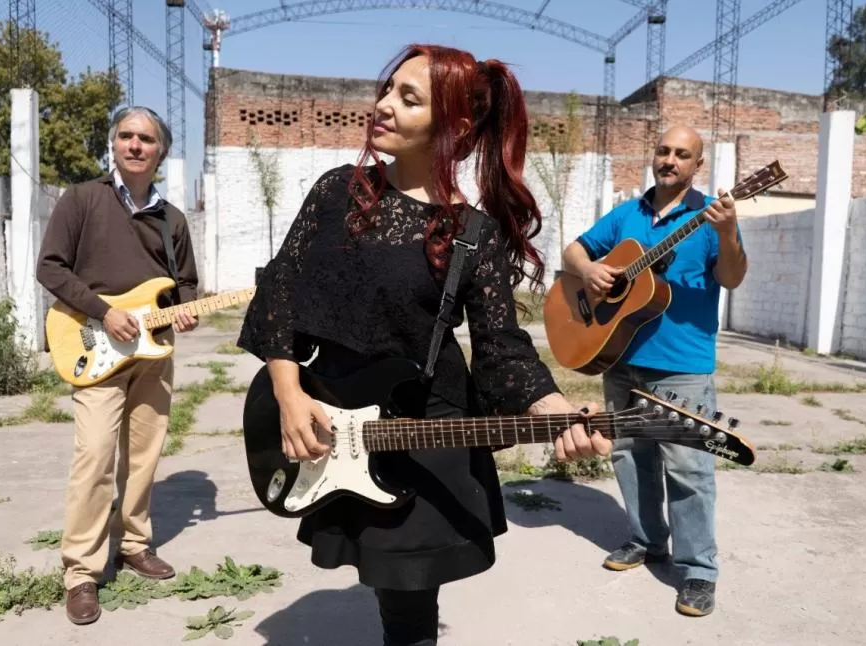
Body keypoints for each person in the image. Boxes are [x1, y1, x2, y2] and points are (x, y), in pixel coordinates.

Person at [237, 44, 611, 645]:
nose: (382, 105)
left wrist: (553, 408)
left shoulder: (474, 234)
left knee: (410, 608)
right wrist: (287, 392)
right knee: (387, 590)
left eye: (407, 98)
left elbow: (500, 347)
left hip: (425, 431)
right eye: (388, 89)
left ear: (454, 128)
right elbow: (280, 294)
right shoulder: (339, 193)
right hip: (330, 417)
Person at [561, 125, 748, 618]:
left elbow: (731, 277)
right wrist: (588, 271)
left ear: (697, 165)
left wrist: (728, 232)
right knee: (629, 454)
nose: (669, 160)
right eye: (663, 150)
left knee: (688, 468)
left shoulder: (711, 217)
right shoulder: (628, 214)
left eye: (681, 154)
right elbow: (574, 249)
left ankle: (699, 571)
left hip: (682, 364)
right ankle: (647, 541)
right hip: (618, 354)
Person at [36, 106, 201, 625]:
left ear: (161, 151)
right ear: (114, 145)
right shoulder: (82, 199)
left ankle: (134, 543)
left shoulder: (172, 218)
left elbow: (187, 283)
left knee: (145, 455)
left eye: (146, 139)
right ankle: (81, 572)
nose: (134, 145)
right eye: (126, 136)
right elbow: (49, 266)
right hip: (96, 347)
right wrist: (105, 313)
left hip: (154, 354)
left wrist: (189, 308)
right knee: (95, 456)